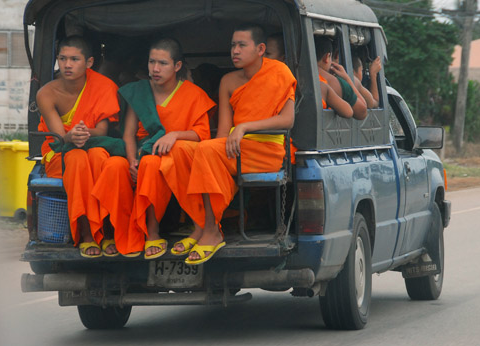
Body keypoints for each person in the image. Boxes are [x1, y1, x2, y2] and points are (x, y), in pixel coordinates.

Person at [164, 23, 297, 264]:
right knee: (183, 150)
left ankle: (212, 232)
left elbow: (287, 120)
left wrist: (245, 127)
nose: (234, 51)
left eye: (241, 45)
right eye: (233, 45)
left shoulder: (280, 72)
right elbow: (223, 132)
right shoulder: (228, 81)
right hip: (235, 148)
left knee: (206, 151)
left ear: (260, 49)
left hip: (267, 150)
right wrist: (208, 153)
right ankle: (201, 226)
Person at [91, 38, 215, 258]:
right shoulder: (140, 92)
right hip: (140, 152)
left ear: (177, 66)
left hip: (174, 157)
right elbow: (128, 134)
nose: (155, 69)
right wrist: (131, 162)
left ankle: (152, 232)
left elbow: (201, 134)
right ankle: (114, 232)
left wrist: (174, 135)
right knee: (113, 165)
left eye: (163, 63)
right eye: (152, 62)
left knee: (151, 163)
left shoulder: (193, 94)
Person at [36, 36, 120, 258]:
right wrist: (71, 136)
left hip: (94, 144)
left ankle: (107, 230)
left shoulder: (104, 86)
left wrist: (81, 134)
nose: (67, 65)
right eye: (62, 59)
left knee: (100, 159)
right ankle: (86, 234)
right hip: (60, 153)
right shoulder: (46, 93)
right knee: (76, 160)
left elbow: (101, 132)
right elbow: (58, 138)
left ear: (89, 62)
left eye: (74, 59)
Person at [314, 36, 361, 118]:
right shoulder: (323, 86)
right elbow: (354, 111)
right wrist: (347, 78)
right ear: (327, 57)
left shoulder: (290, 76)